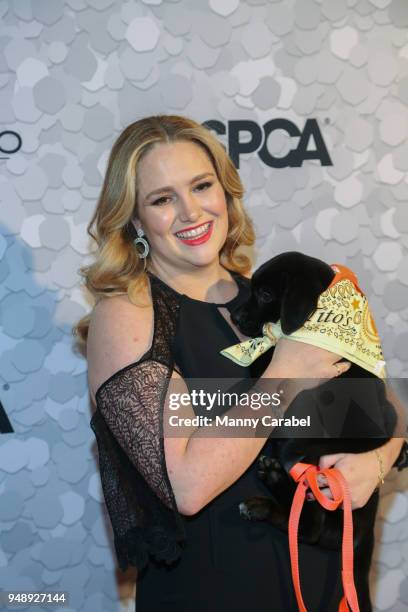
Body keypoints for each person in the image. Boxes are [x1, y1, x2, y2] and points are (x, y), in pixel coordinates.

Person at [73, 115, 406, 611]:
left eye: (201, 186)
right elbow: (186, 486)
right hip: (215, 594)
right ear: (136, 221)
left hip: (327, 590)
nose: (190, 211)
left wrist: (375, 464)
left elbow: (389, 414)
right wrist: (285, 374)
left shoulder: (282, 293)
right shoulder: (129, 316)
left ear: (225, 192)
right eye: (163, 199)